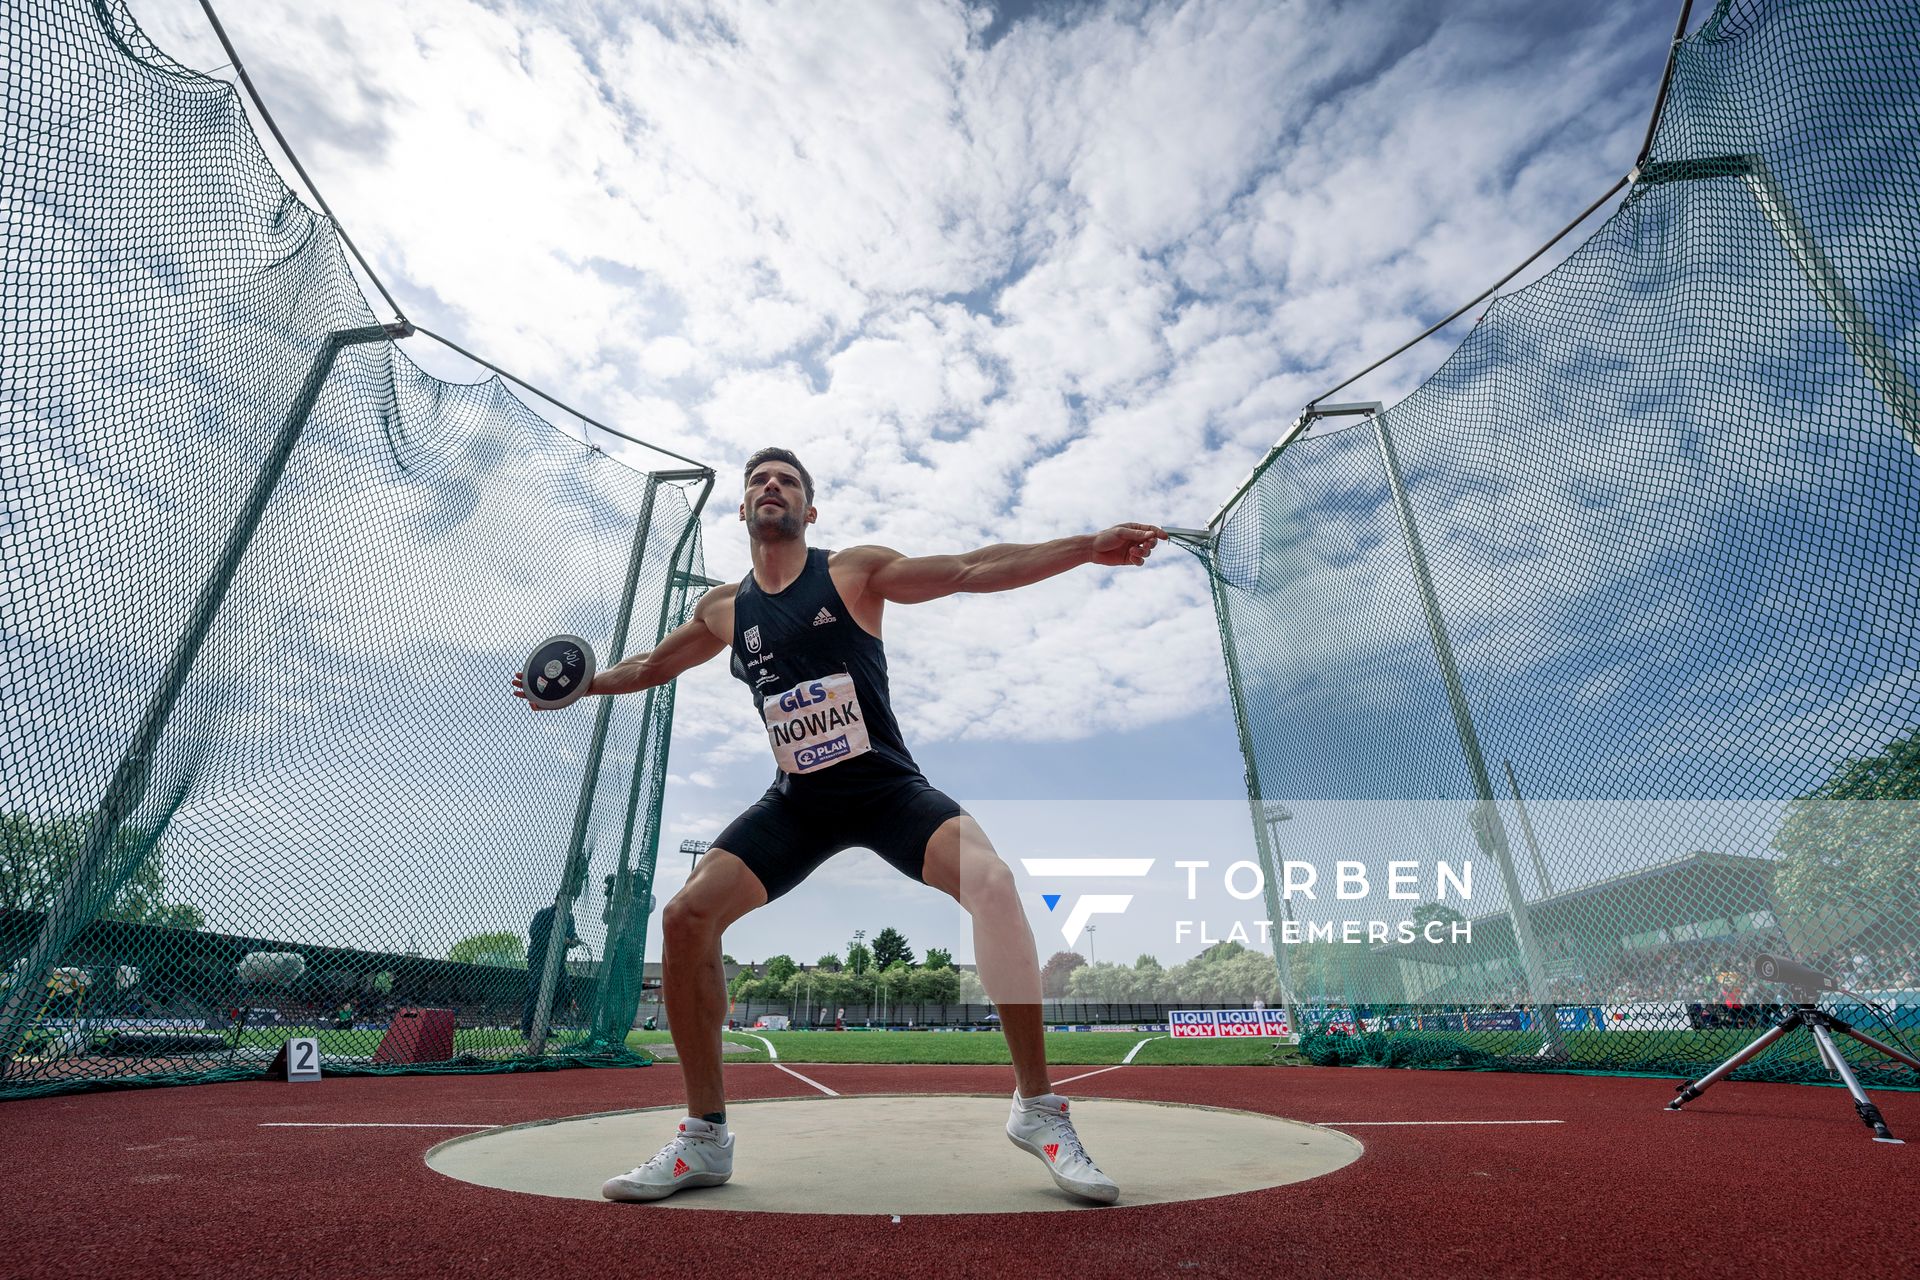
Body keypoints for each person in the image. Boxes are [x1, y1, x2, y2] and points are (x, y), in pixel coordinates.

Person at [515, 447, 1164, 1205]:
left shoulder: (854, 572)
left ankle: (1038, 1112)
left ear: (808, 510)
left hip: (885, 788)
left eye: (786, 481)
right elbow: (654, 666)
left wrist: (1086, 547)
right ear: (743, 508)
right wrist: (578, 684)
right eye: (758, 480)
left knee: (991, 881)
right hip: (797, 803)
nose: (771, 487)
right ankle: (703, 1138)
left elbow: (969, 569)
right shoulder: (723, 610)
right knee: (687, 915)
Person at [521, 901, 581, 1040]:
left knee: (562, 989)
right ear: (558, 900)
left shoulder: (569, 918)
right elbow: (534, 933)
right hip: (539, 957)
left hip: (558, 961)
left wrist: (574, 940)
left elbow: (571, 937)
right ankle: (527, 1028)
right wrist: (559, 938)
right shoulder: (543, 914)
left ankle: (543, 1024)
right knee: (536, 989)